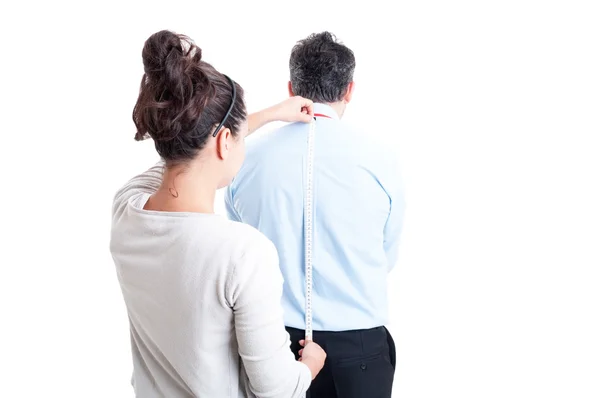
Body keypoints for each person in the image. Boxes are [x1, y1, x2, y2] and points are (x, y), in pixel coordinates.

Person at [110, 30, 326, 398]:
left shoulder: (127, 209)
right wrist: (308, 367)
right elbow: (275, 390)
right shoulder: (242, 253)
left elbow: (178, 151)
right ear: (225, 141)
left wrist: (262, 117)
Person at [225, 32, 405, 397]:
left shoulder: (244, 160)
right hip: (361, 351)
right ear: (350, 90)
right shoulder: (381, 160)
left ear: (291, 87)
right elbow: (386, 253)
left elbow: (240, 249)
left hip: (273, 346)